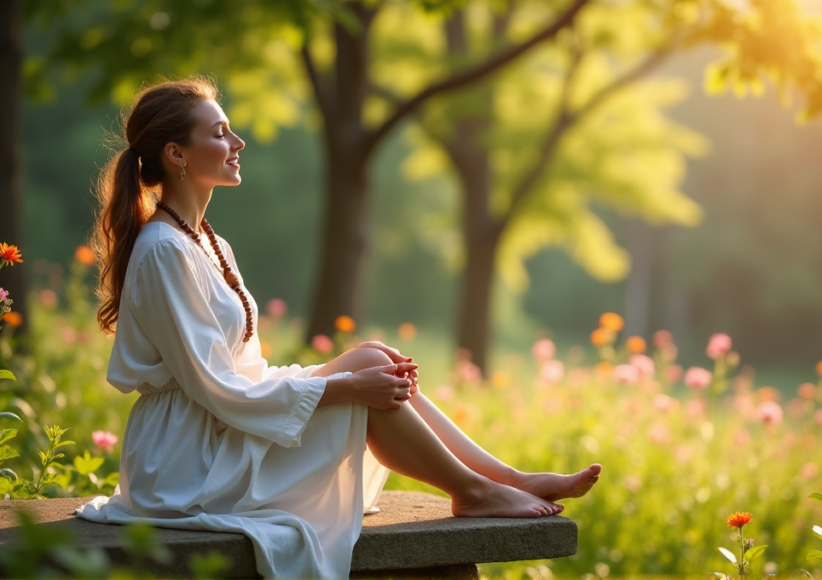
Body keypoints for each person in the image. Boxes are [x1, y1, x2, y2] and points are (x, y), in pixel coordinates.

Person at [74, 76, 601, 579]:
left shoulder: (205, 241)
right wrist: (342, 387)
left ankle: (502, 478)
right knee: (360, 386)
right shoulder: (165, 250)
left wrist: (346, 377)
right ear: (176, 153)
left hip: (220, 426)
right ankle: (475, 490)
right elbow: (212, 386)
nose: (237, 141)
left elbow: (243, 373)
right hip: (185, 465)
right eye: (218, 133)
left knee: (375, 357)